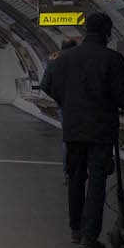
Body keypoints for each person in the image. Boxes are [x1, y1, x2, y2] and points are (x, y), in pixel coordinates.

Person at [43, 12, 124, 248]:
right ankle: (90, 236)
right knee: (96, 180)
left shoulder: (64, 58)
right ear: (108, 32)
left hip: (73, 128)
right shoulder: (113, 58)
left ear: (85, 30)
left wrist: (67, 103)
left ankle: (76, 230)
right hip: (101, 130)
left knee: (75, 179)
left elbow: (48, 86)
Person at [40, 37, 80, 183]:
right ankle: (85, 168)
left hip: (64, 105)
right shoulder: (82, 61)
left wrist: (58, 97)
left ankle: (68, 172)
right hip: (85, 106)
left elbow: (45, 85)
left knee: (67, 138)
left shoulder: (54, 61)